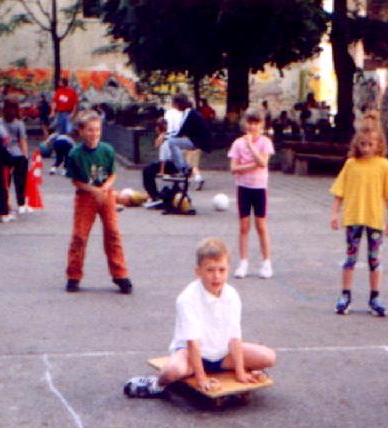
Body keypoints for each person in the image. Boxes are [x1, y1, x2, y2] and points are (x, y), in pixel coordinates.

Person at [123, 238, 276, 397]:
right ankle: (155, 384)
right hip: (191, 354)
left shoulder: (232, 295)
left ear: (228, 270)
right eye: (210, 270)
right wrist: (201, 378)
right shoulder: (187, 298)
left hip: (222, 354)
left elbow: (234, 338)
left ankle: (236, 369)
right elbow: (193, 343)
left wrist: (240, 372)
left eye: (222, 270)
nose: (216, 276)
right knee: (172, 371)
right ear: (198, 272)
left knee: (268, 357)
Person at [329, 119, 388, 317]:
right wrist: (334, 213)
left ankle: (375, 297)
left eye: (371, 144)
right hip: (353, 217)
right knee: (350, 258)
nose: (367, 148)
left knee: (374, 259)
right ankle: (345, 295)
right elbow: (339, 192)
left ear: (379, 144)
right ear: (357, 144)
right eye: (363, 144)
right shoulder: (351, 164)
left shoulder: (384, 165)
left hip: (374, 219)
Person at [64, 110, 132, 294]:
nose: (94, 134)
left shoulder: (107, 150)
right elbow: (75, 181)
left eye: (97, 129)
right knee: (79, 236)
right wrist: (94, 190)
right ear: (81, 131)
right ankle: (73, 275)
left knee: (113, 233)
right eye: (90, 130)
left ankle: (120, 274)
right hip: (86, 196)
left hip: (105, 194)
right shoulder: (75, 154)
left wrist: (105, 188)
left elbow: (112, 173)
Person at [228, 110, 274, 279]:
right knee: (244, 226)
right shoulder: (237, 143)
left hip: (259, 187)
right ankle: (243, 262)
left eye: (256, 123)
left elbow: (263, 162)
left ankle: (266, 262)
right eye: (250, 123)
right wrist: (251, 166)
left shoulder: (265, 142)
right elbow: (233, 168)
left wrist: (250, 146)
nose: (253, 127)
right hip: (243, 187)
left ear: (262, 125)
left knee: (261, 225)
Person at [1, 99, 30, 214]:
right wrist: (25, 155)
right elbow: (22, 141)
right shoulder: (19, 123)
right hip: (17, 154)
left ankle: (6, 203)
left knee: (5, 182)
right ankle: (21, 204)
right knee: (20, 181)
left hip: (3, 154)